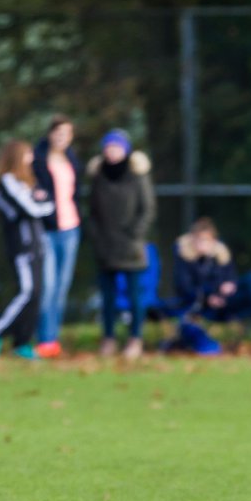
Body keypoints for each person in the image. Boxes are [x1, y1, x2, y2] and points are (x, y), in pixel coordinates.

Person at [0, 140, 53, 360]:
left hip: (37, 245)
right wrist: (40, 204)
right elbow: (30, 208)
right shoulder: (7, 182)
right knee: (26, 292)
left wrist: (41, 203)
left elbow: (47, 202)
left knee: (36, 294)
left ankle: (21, 342)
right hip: (21, 247)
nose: (31, 159)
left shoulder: (28, 182)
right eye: (27, 154)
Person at [170, 218, 251, 357]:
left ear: (213, 241)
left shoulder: (221, 256)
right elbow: (184, 288)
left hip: (226, 303)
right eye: (199, 240)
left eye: (206, 240)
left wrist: (229, 285)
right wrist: (208, 297)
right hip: (203, 307)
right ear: (193, 239)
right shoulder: (184, 259)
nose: (202, 244)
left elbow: (231, 278)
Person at [89, 128, 156, 359]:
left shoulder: (138, 176)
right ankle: (108, 339)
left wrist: (134, 234)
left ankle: (135, 339)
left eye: (116, 147)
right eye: (108, 147)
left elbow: (147, 210)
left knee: (134, 297)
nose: (112, 152)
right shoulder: (98, 177)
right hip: (105, 246)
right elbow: (93, 212)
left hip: (131, 247)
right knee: (107, 298)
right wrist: (98, 236)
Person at [32, 115, 83, 358]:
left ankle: (54, 341)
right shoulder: (38, 159)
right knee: (48, 286)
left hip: (70, 229)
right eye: (58, 133)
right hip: (47, 230)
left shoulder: (72, 160)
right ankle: (43, 339)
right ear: (51, 134)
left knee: (61, 288)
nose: (62, 138)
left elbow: (76, 192)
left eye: (67, 134)